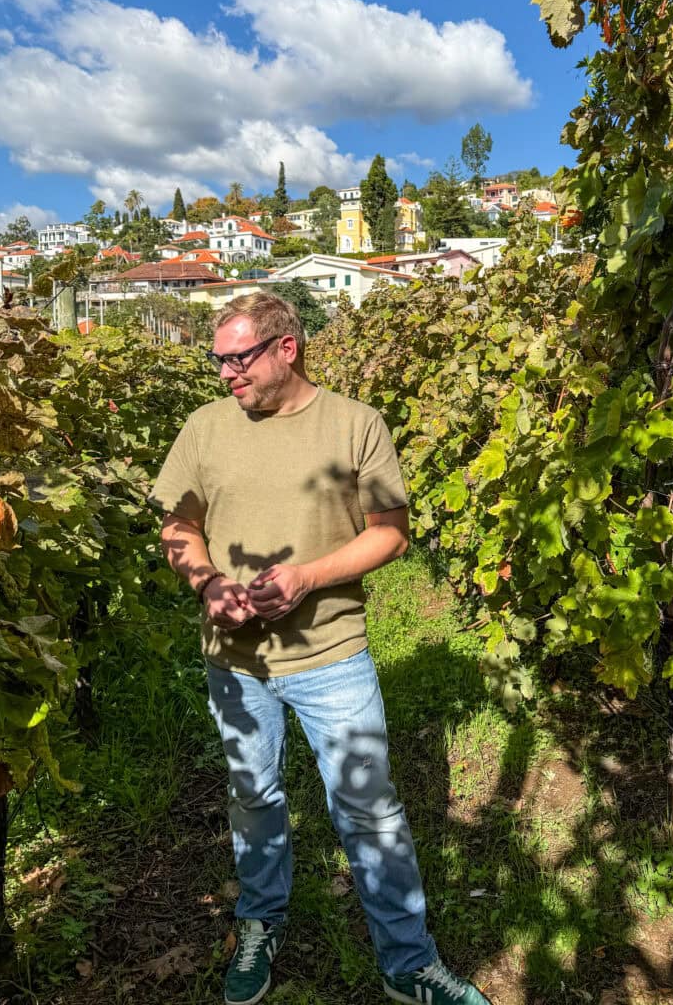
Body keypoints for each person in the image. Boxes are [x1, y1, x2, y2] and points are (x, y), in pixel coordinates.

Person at [150, 292, 490, 1005]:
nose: (225, 374)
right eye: (217, 360)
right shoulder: (204, 427)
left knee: (368, 809)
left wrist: (308, 577)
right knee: (253, 795)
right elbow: (178, 526)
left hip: (333, 654)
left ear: (287, 349)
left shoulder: (355, 424)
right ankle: (260, 923)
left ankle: (409, 963)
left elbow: (390, 533)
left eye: (238, 359)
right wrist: (208, 582)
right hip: (235, 661)